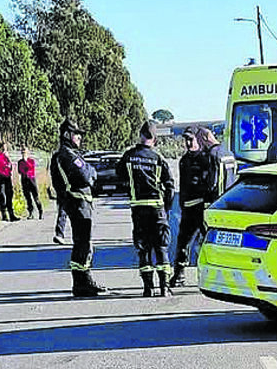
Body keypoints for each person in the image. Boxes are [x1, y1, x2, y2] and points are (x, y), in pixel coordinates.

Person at [116, 120, 175, 297]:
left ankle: (148, 288)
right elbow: (170, 186)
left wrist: (131, 187)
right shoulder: (159, 159)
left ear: (140, 136)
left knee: (144, 248)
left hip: (138, 209)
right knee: (161, 248)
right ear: (155, 140)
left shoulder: (128, 156)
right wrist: (166, 208)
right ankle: (165, 288)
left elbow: (119, 176)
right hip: (157, 209)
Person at [49, 118, 107, 297]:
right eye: (77, 135)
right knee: (83, 244)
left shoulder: (69, 154)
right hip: (77, 203)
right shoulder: (66, 155)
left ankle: (83, 280)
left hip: (79, 203)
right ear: (67, 135)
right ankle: (82, 283)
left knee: (82, 244)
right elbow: (86, 175)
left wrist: (90, 171)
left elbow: (89, 171)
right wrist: (91, 173)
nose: (80, 138)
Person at [168, 126, 211, 287]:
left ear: (198, 140)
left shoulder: (206, 158)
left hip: (202, 207)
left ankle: (211, 275)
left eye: (190, 139)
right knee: (183, 243)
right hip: (188, 209)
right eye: (185, 139)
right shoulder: (184, 160)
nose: (187, 143)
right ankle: (179, 275)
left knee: (208, 243)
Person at [198, 126, 238, 204]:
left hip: (218, 199)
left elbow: (212, 182)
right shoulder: (229, 153)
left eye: (200, 141)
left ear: (204, 138)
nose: (200, 145)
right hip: (231, 196)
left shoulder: (212, 154)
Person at [0, 141, 19, 221]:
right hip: (0, 177)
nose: (4, 149)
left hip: (7, 177)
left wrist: (7, 159)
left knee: (9, 195)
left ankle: (11, 214)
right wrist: (4, 167)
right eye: (3, 147)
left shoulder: (5, 156)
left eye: (6, 148)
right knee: (2, 195)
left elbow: (10, 167)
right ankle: (4, 214)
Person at [18, 147, 43, 220]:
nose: (23, 153)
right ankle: (30, 213)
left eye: (25, 152)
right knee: (28, 197)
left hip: (31, 180)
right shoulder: (20, 162)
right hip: (24, 180)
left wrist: (26, 162)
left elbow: (31, 168)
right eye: (22, 152)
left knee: (36, 197)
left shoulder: (31, 161)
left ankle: (40, 210)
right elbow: (20, 171)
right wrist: (24, 167)